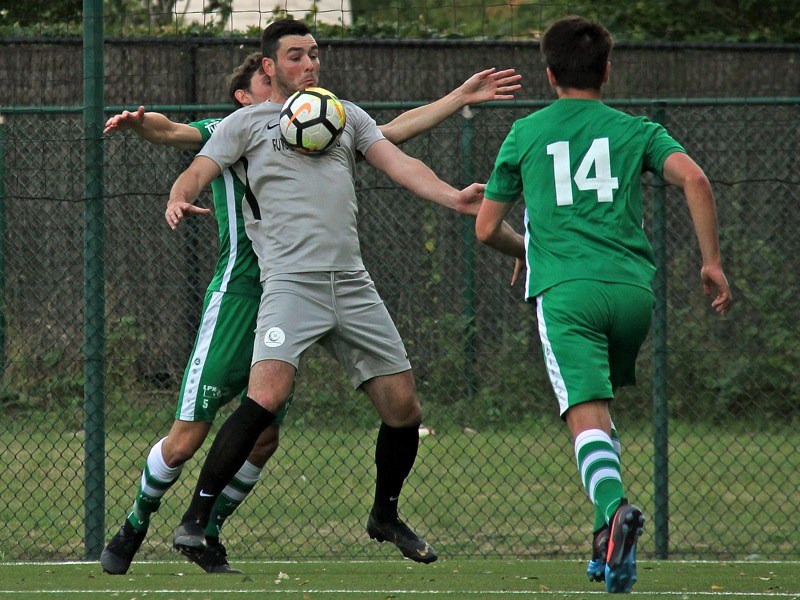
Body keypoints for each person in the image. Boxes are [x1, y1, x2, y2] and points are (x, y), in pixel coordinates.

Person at [100, 47, 522, 575]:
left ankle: (207, 531)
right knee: (193, 432)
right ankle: (137, 525)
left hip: (338, 283)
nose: (310, 66)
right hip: (248, 290)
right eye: (293, 57)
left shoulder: (334, 118)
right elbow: (176, 136)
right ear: (256, 85)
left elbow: (393, 140)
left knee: (278, 430)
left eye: (315, 55)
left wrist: (458, 108)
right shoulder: (238, 124)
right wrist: (149, 134)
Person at [474, 15, 732, 594]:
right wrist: (711, 262)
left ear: (548, 72)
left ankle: (613, 510)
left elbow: (486, 229)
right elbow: (695, 180)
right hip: (632, 294)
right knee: (601, 418)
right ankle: (607, 546)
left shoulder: (525, 133)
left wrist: (528, 249)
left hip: (567, 295)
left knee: (583, 416)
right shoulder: (636, 130)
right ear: (607, 70)